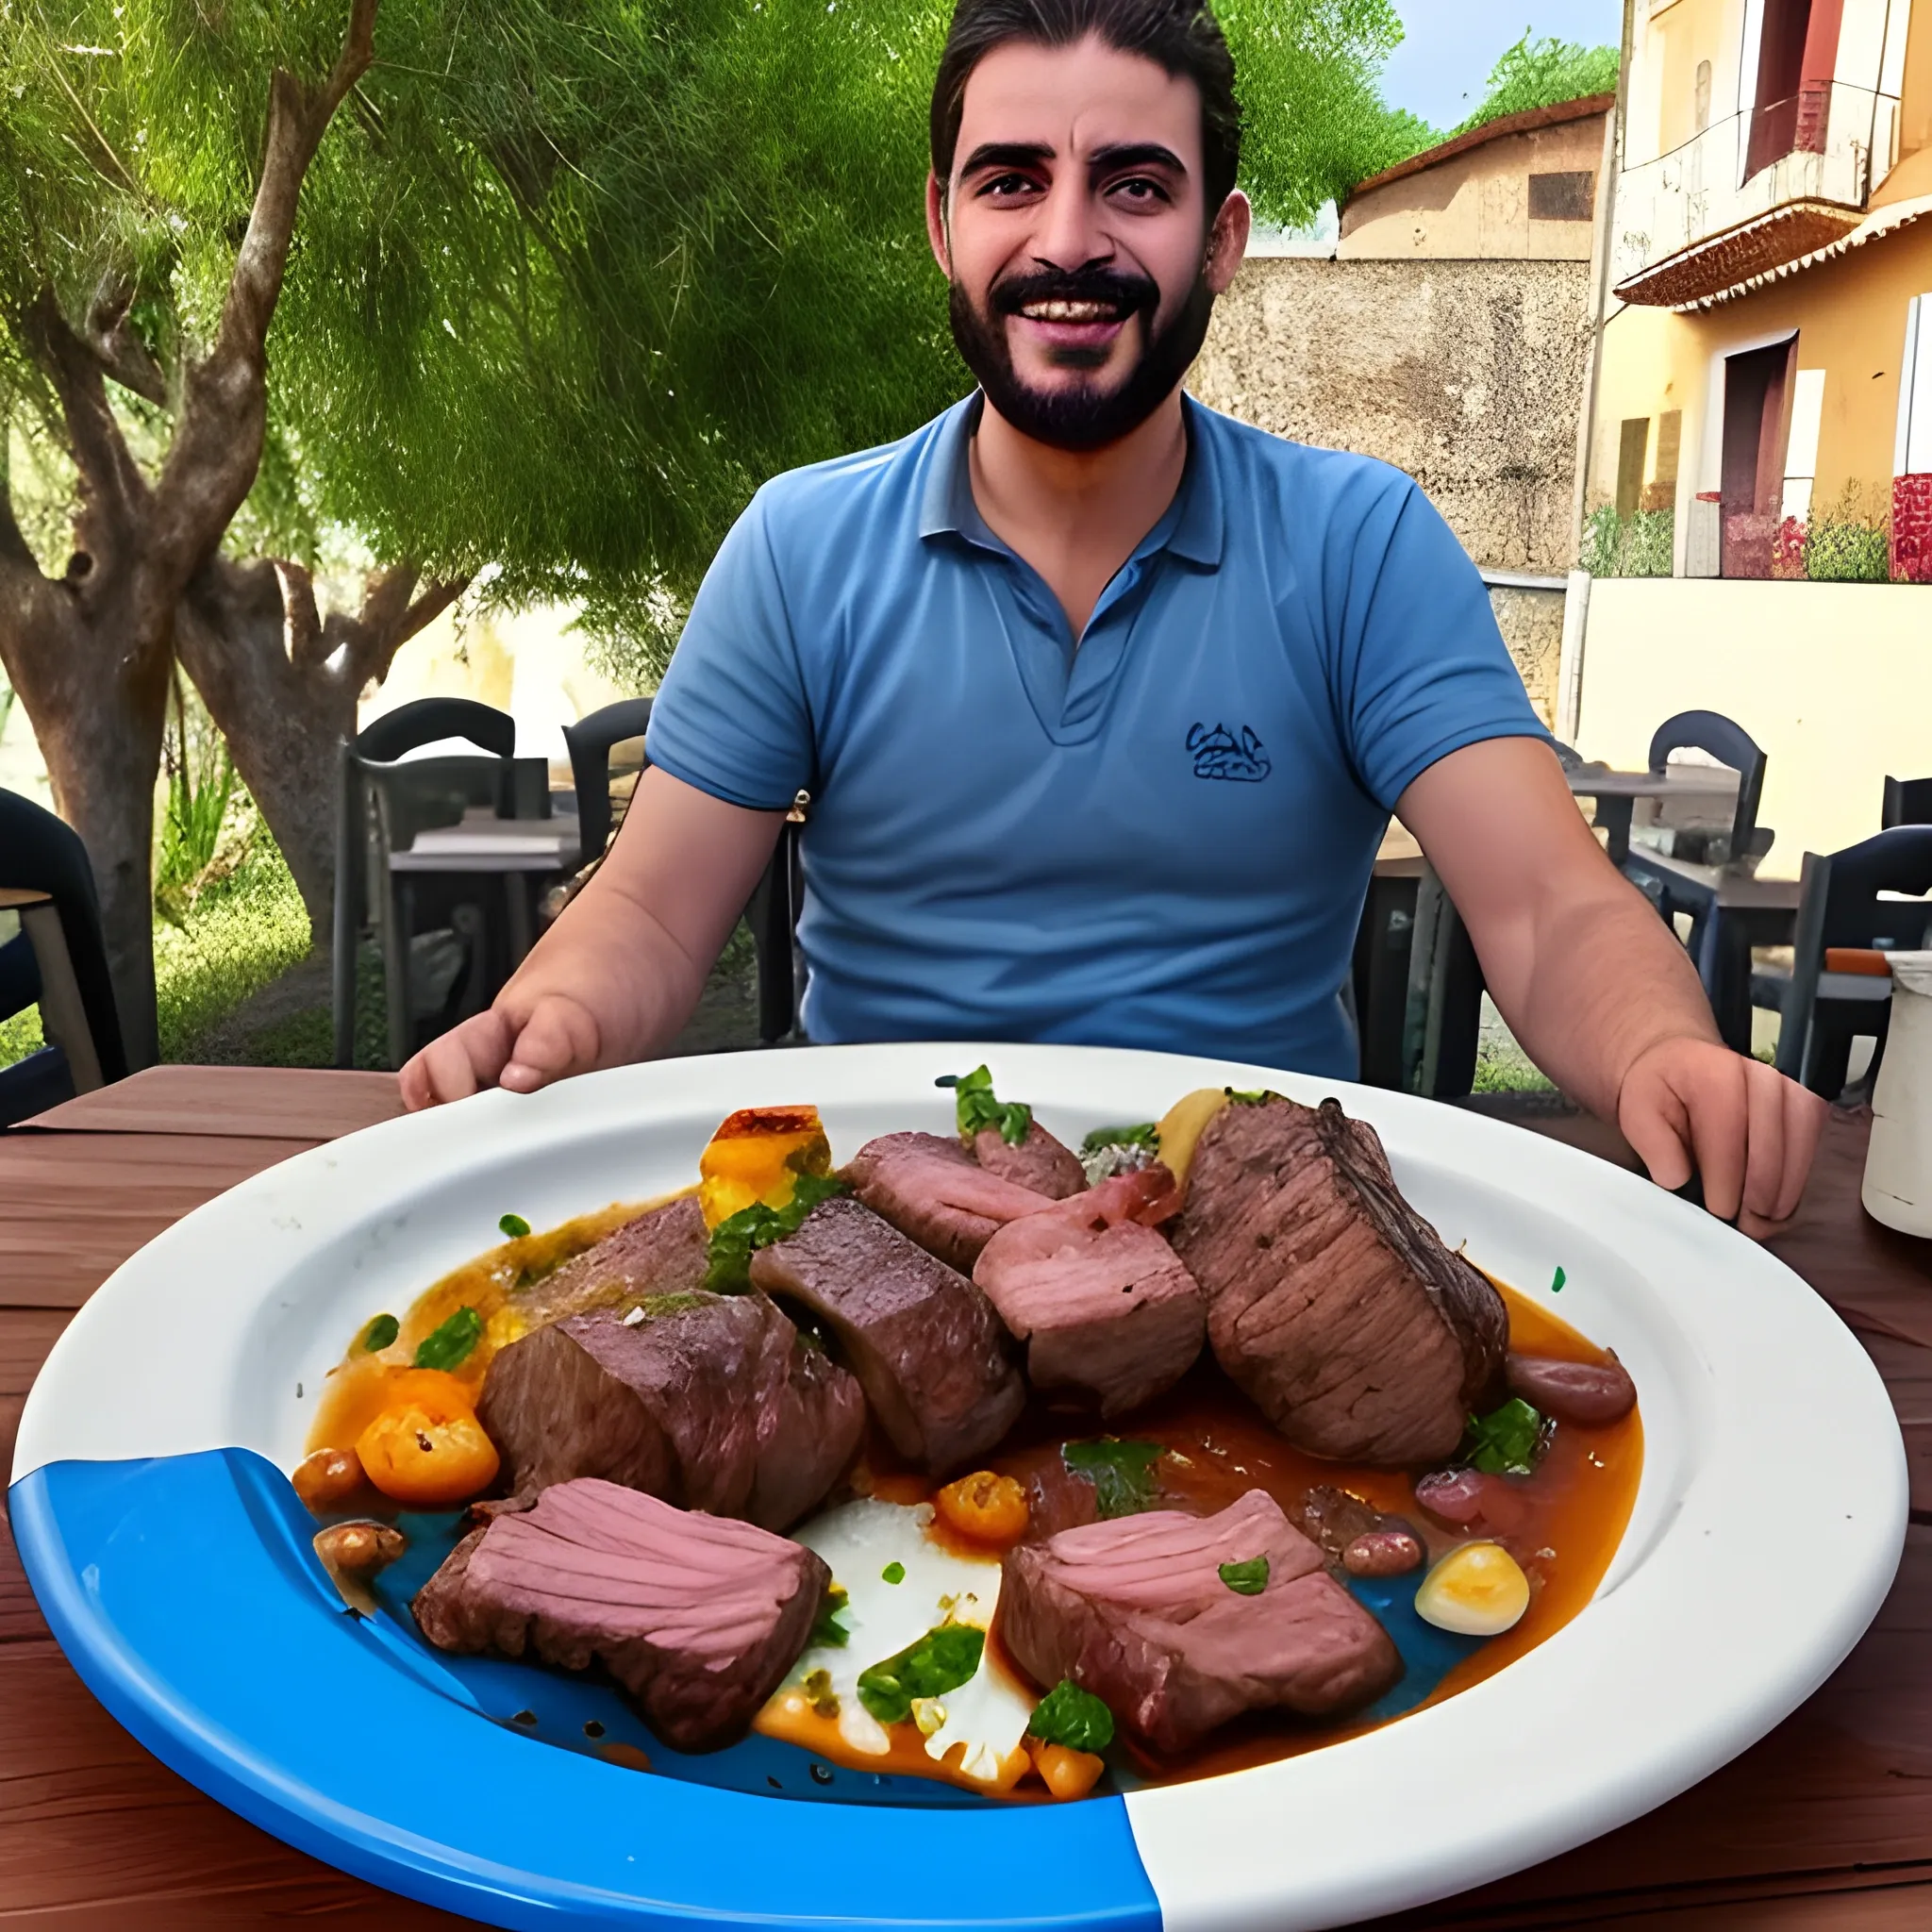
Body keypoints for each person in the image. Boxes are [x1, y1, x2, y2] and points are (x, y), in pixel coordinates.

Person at [402, 0, 1824, 1236]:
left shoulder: (1359, 546)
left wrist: (1658, 1049)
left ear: (1220, 241)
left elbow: (1546, 903)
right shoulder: (800, 548)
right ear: (942, 222)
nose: (1066, 241)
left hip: (1270, 1249)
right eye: (1011, 181)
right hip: (877, 1238)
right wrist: (558, 1017)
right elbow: (651, 910)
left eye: (1133, 187)